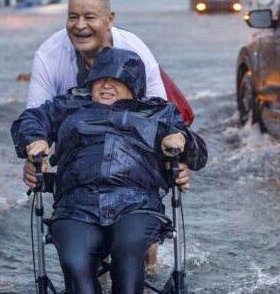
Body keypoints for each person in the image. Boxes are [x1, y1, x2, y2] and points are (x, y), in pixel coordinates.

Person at [11, 48, 208, 294]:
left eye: (117, 79)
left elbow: (200, 156)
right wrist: (34, 140)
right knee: (75, 261)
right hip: (76, 205)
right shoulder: (68, 107)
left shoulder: (159, 113)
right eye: (101, 78)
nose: (106, 85)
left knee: (128, 250)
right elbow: (29, 119)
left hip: (136, 203)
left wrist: (182, 139)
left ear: (134, 85)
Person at [22, 0, 193, 191]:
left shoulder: (135, 52)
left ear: (110, 19)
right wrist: (35, 151)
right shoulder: (49, 56)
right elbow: (35, 119)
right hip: (79, 159)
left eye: (89, 17)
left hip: (131, 164)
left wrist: (176, 159)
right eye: (72, 17)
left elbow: (162, 117)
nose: (80, 25)